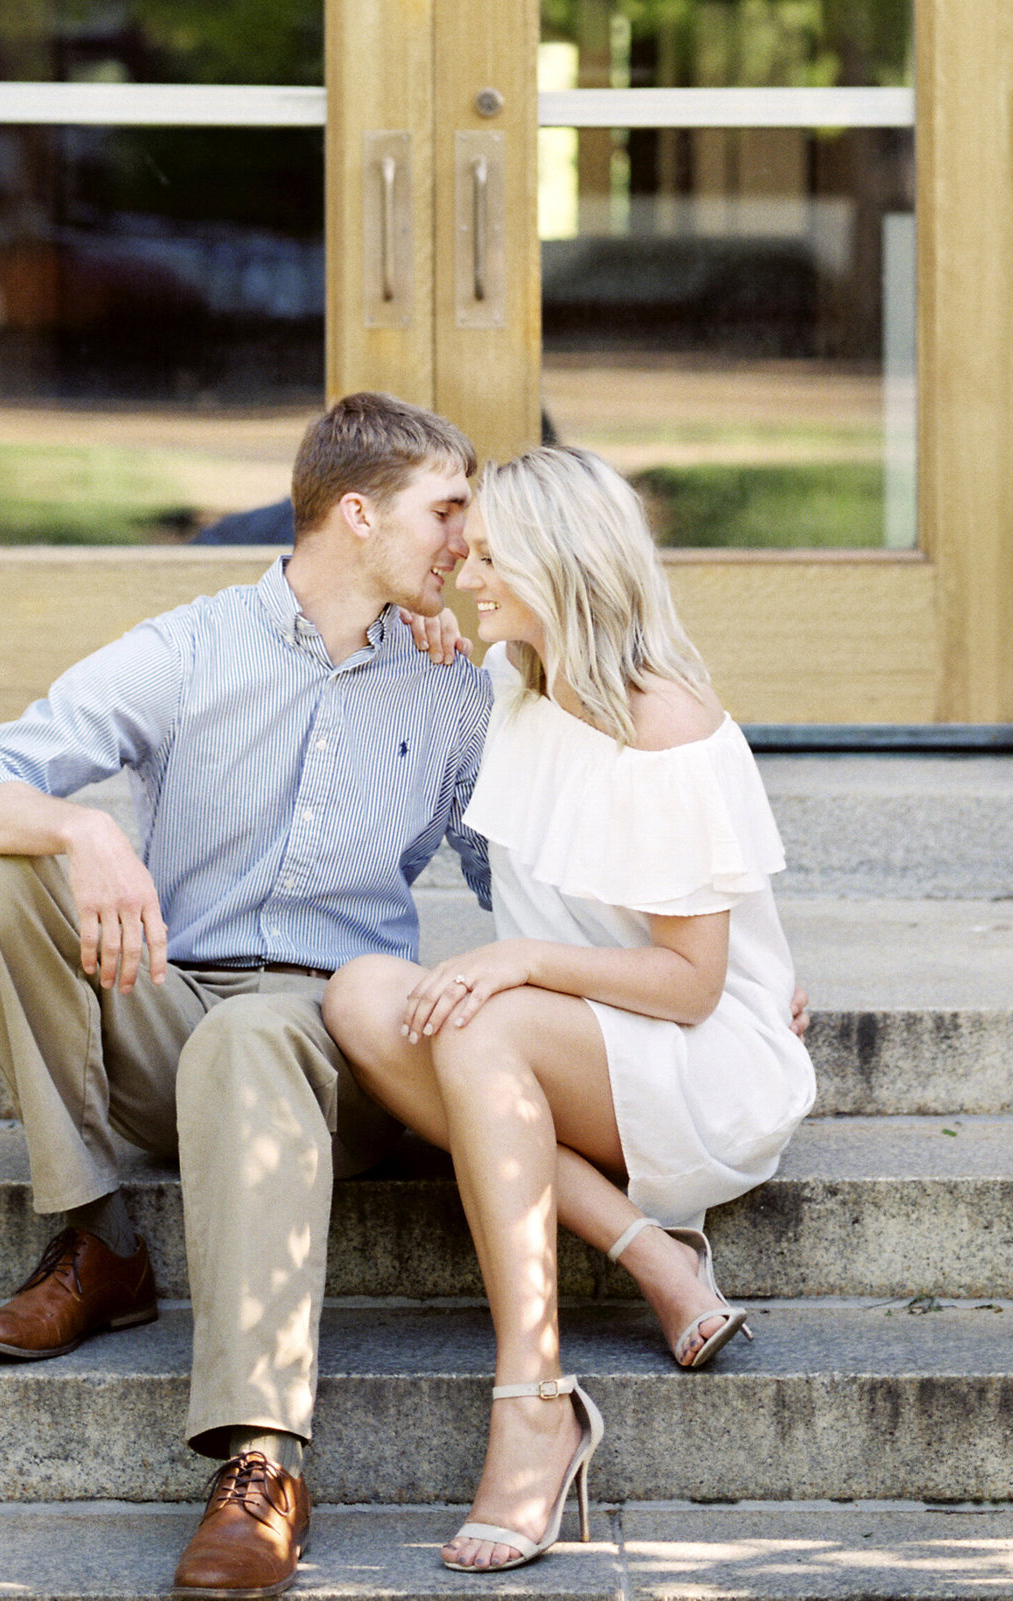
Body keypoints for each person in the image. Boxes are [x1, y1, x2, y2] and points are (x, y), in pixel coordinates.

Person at [0, 392, 492, 1600]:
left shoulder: (456, 689)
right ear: (355, 512)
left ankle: (262, 1460)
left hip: (340, 1044)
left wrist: (719, 963)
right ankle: (101, 1236)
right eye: (445, 510)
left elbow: (538, 870)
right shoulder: (190, 647)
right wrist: (82, 827)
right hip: (176, 1016)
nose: (464, 540)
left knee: (253, 1032)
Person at [323, 445, 817, 1576]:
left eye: (493, 556)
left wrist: (520, 959)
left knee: (478, 1011)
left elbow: (694, 983)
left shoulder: (665, 724)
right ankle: (649, 1253)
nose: (466, 569)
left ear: (564, 565)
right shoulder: (520, 685)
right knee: (362, 995)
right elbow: (432, 638)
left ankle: (534, 1399)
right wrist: (442, 626)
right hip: (584, 1043)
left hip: (704, 1062)